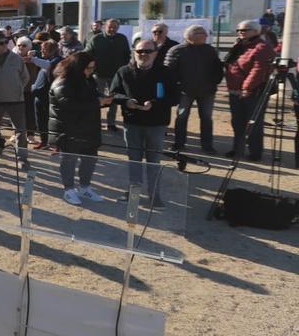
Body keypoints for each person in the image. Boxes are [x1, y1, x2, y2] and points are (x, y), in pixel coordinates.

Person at [109, 40, 177, 205]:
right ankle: (133, 193)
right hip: (132, 124)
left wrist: (154, 103)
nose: (143, 55)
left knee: (154, 161)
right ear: (134, 52)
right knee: (134, 160)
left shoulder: (166, 72)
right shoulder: (124, 71)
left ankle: (154, 195)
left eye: (148, 51)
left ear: (155, 53)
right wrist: (126, 101)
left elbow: (175, 97)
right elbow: (113, 93)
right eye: (140, 51)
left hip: (156, 124)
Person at [49, 53, 109, 205]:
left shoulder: (88, 80)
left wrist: (106, 99)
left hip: (89, 128)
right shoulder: (61, 82)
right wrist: (98, 102)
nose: (91, 71)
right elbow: (69, 105)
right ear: (78, 67)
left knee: (90, 159)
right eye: (88, 68)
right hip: (68, 129)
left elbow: (94, 96)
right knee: (69, 159)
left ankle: (85, 187)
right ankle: (69, 190)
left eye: (93, 68)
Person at [165, 25, 223, 154]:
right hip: (185, 91)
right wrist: (177, 86)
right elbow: (168, 72)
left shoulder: (211, 50)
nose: (206, 36)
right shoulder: (176, 50)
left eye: (205, 33)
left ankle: (207, 145)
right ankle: (179, 144)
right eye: (202, 33)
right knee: (181, 117)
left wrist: (215, 81)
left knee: (207, 118)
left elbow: (218, 68)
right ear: (190, 35)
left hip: (207, 91)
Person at [225, 20, 276, 161]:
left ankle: (255, 153)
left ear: (255, 31)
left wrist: (246, 88)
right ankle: (237, 149)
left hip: (253, 92)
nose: (241, 32)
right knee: (237, 122)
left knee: (253, 123)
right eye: (239, 30)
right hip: (235, 90)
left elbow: (258, 70)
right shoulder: (240, 45)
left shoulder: (261, 47)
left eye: (245, 30)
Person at [0, 34, 30, 168]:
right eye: (1, 43)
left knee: (20, 131)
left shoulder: (16, 59)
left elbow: (25, 77)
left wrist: (18, 88)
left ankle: (22, 159)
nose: (5, 45)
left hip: (16, 100)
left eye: (6, 42)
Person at [86, 19, 132, 132]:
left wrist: (125, 70)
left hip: (116, 75)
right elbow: (87, 54)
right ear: (104, 27)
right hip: (99, 74)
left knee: (113, 100)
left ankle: (111, 123)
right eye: (110, 27)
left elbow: (127, 55)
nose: (112, 29)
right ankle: (95, 121)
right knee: (96, 99)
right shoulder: (96, 39)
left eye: (115, 27)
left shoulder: (122, 39)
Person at [30, 39, 62, 149]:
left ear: (52, 51)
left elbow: (48, 65)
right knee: (41, 121)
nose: (42, 51)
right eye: (42, 49)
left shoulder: (58, 60)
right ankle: (44, 141)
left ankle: (57, 145)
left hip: (51, 98)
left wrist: (32, 59)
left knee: (54, 123)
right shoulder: (47, 58)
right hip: (40, 97)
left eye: (44, 49)